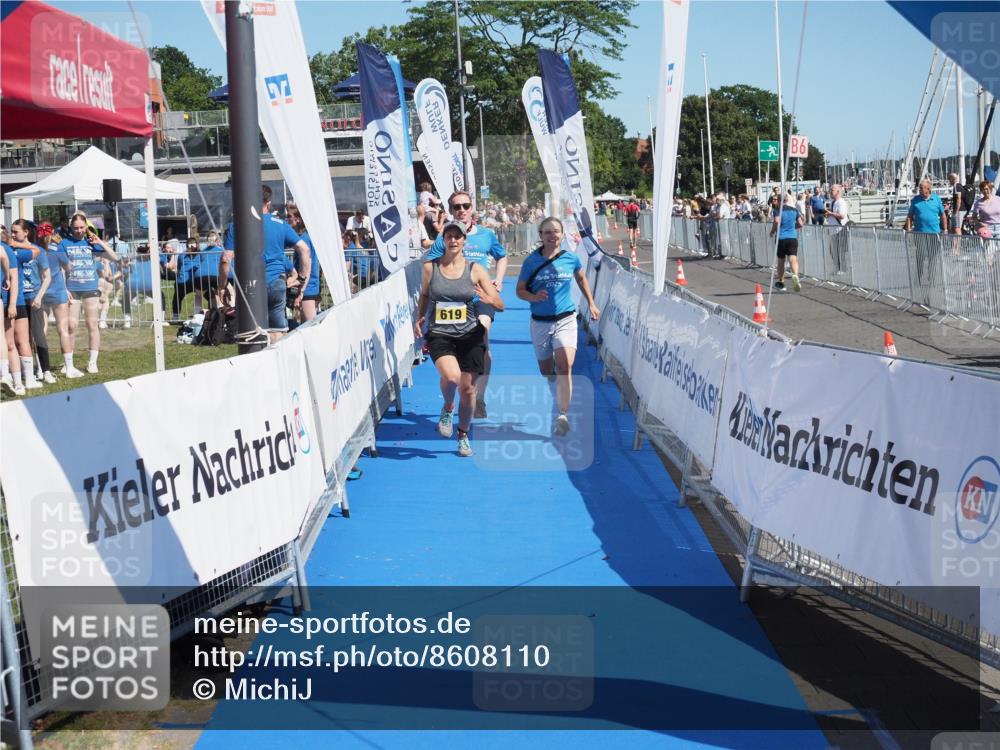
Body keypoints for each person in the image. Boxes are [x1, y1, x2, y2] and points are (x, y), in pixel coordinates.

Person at [413, 221, 504, 457]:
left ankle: (462, 435)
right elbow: (424, 295)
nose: (453, 240)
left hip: (470, 334)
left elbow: (500, 304)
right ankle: (447, 406)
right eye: (448, 236)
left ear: (464, 241)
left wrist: (488, 297)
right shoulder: (430, 268)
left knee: (468, 390)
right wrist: (420, 318)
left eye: (457, 236)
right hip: (440, 333)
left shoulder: (475, 270)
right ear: (443, 240)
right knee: (451, 377)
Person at [516, 217, 600, 436]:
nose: (552, 236)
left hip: (565, 318)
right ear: (541, 236)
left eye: (556, 232)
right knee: (547, 371)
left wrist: (591, 303)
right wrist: (534, 297)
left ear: (562, 235)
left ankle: (563, 414)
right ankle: (550, 370)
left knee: (565, 365)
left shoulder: (570, 259)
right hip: (540, 322)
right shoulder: (531, 262)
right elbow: (519, 290)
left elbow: (581, 279)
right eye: (547, 233)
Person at [427, 191, 507, 418]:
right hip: (452, 301)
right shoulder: (446, 237)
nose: (461, 210)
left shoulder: (486, 235)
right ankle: (454, 387)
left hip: (479, 297)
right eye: (456, 207)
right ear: (451, 211)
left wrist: (498, 280)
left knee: (481, 336)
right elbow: (428, 264)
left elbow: (502, 256)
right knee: (454, 353)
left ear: (472, 208)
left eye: (466, 205)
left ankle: (479, 397)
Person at [219, 185, 311, 343]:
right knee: (278, 331)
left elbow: (225, 259)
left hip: (250, 285)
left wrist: (222, 286)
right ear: (268, 202)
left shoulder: (237, 226)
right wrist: (301, 280)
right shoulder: (281, 224)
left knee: (251, 332)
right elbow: (305, 250)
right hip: (276, 283)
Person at [58, 212, 122, 375]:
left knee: (92, 325)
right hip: (72, 290)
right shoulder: (64, 243)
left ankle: (92, 362)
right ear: (71, 228)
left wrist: (99, 241)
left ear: (86, 227)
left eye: (81, 227)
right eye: (75, 228)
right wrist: (64, 289)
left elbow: (114, 257)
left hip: (90, 289)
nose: (78, 231)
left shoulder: (91, 243)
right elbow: (59, 268)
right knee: (71, 326)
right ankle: (68, 363)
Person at [10, 220, 53, 385]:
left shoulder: (38, 251)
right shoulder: (12, 250)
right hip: (19, 299)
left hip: (34, 298)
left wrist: (39, 297)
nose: (13, 235)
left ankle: (46, 370)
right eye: (12, 232)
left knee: (38, 335)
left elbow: (47, 276)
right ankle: (32, 370)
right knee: (23, 339)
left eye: (16, 232)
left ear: (26, 232)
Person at [285, 201, 322, 322]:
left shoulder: (304, 239)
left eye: (289, 216)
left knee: (310, 326)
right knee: (306, 325)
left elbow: (308, 265)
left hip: (308, 289)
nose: (287, 219)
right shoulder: (304, 237)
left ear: (298, 219)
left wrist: (301, 291)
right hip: (309, 287)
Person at [2, 227, 25, 395]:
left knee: (10, 343)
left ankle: (17, 382)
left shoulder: (7, 250)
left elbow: (14, 280)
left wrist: (12, 304)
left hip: (7, 302)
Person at [769, 193, 804, 292]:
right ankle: (796, 275)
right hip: (792, 237)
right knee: (793, 258)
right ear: (786, 200)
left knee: (781, 260)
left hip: (781, 237)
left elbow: (776, 221)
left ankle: (781, 281)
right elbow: (801, 224)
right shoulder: (794, 210)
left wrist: (772, 231)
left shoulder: (777, 210)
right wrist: (793, 227)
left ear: (779, 201)